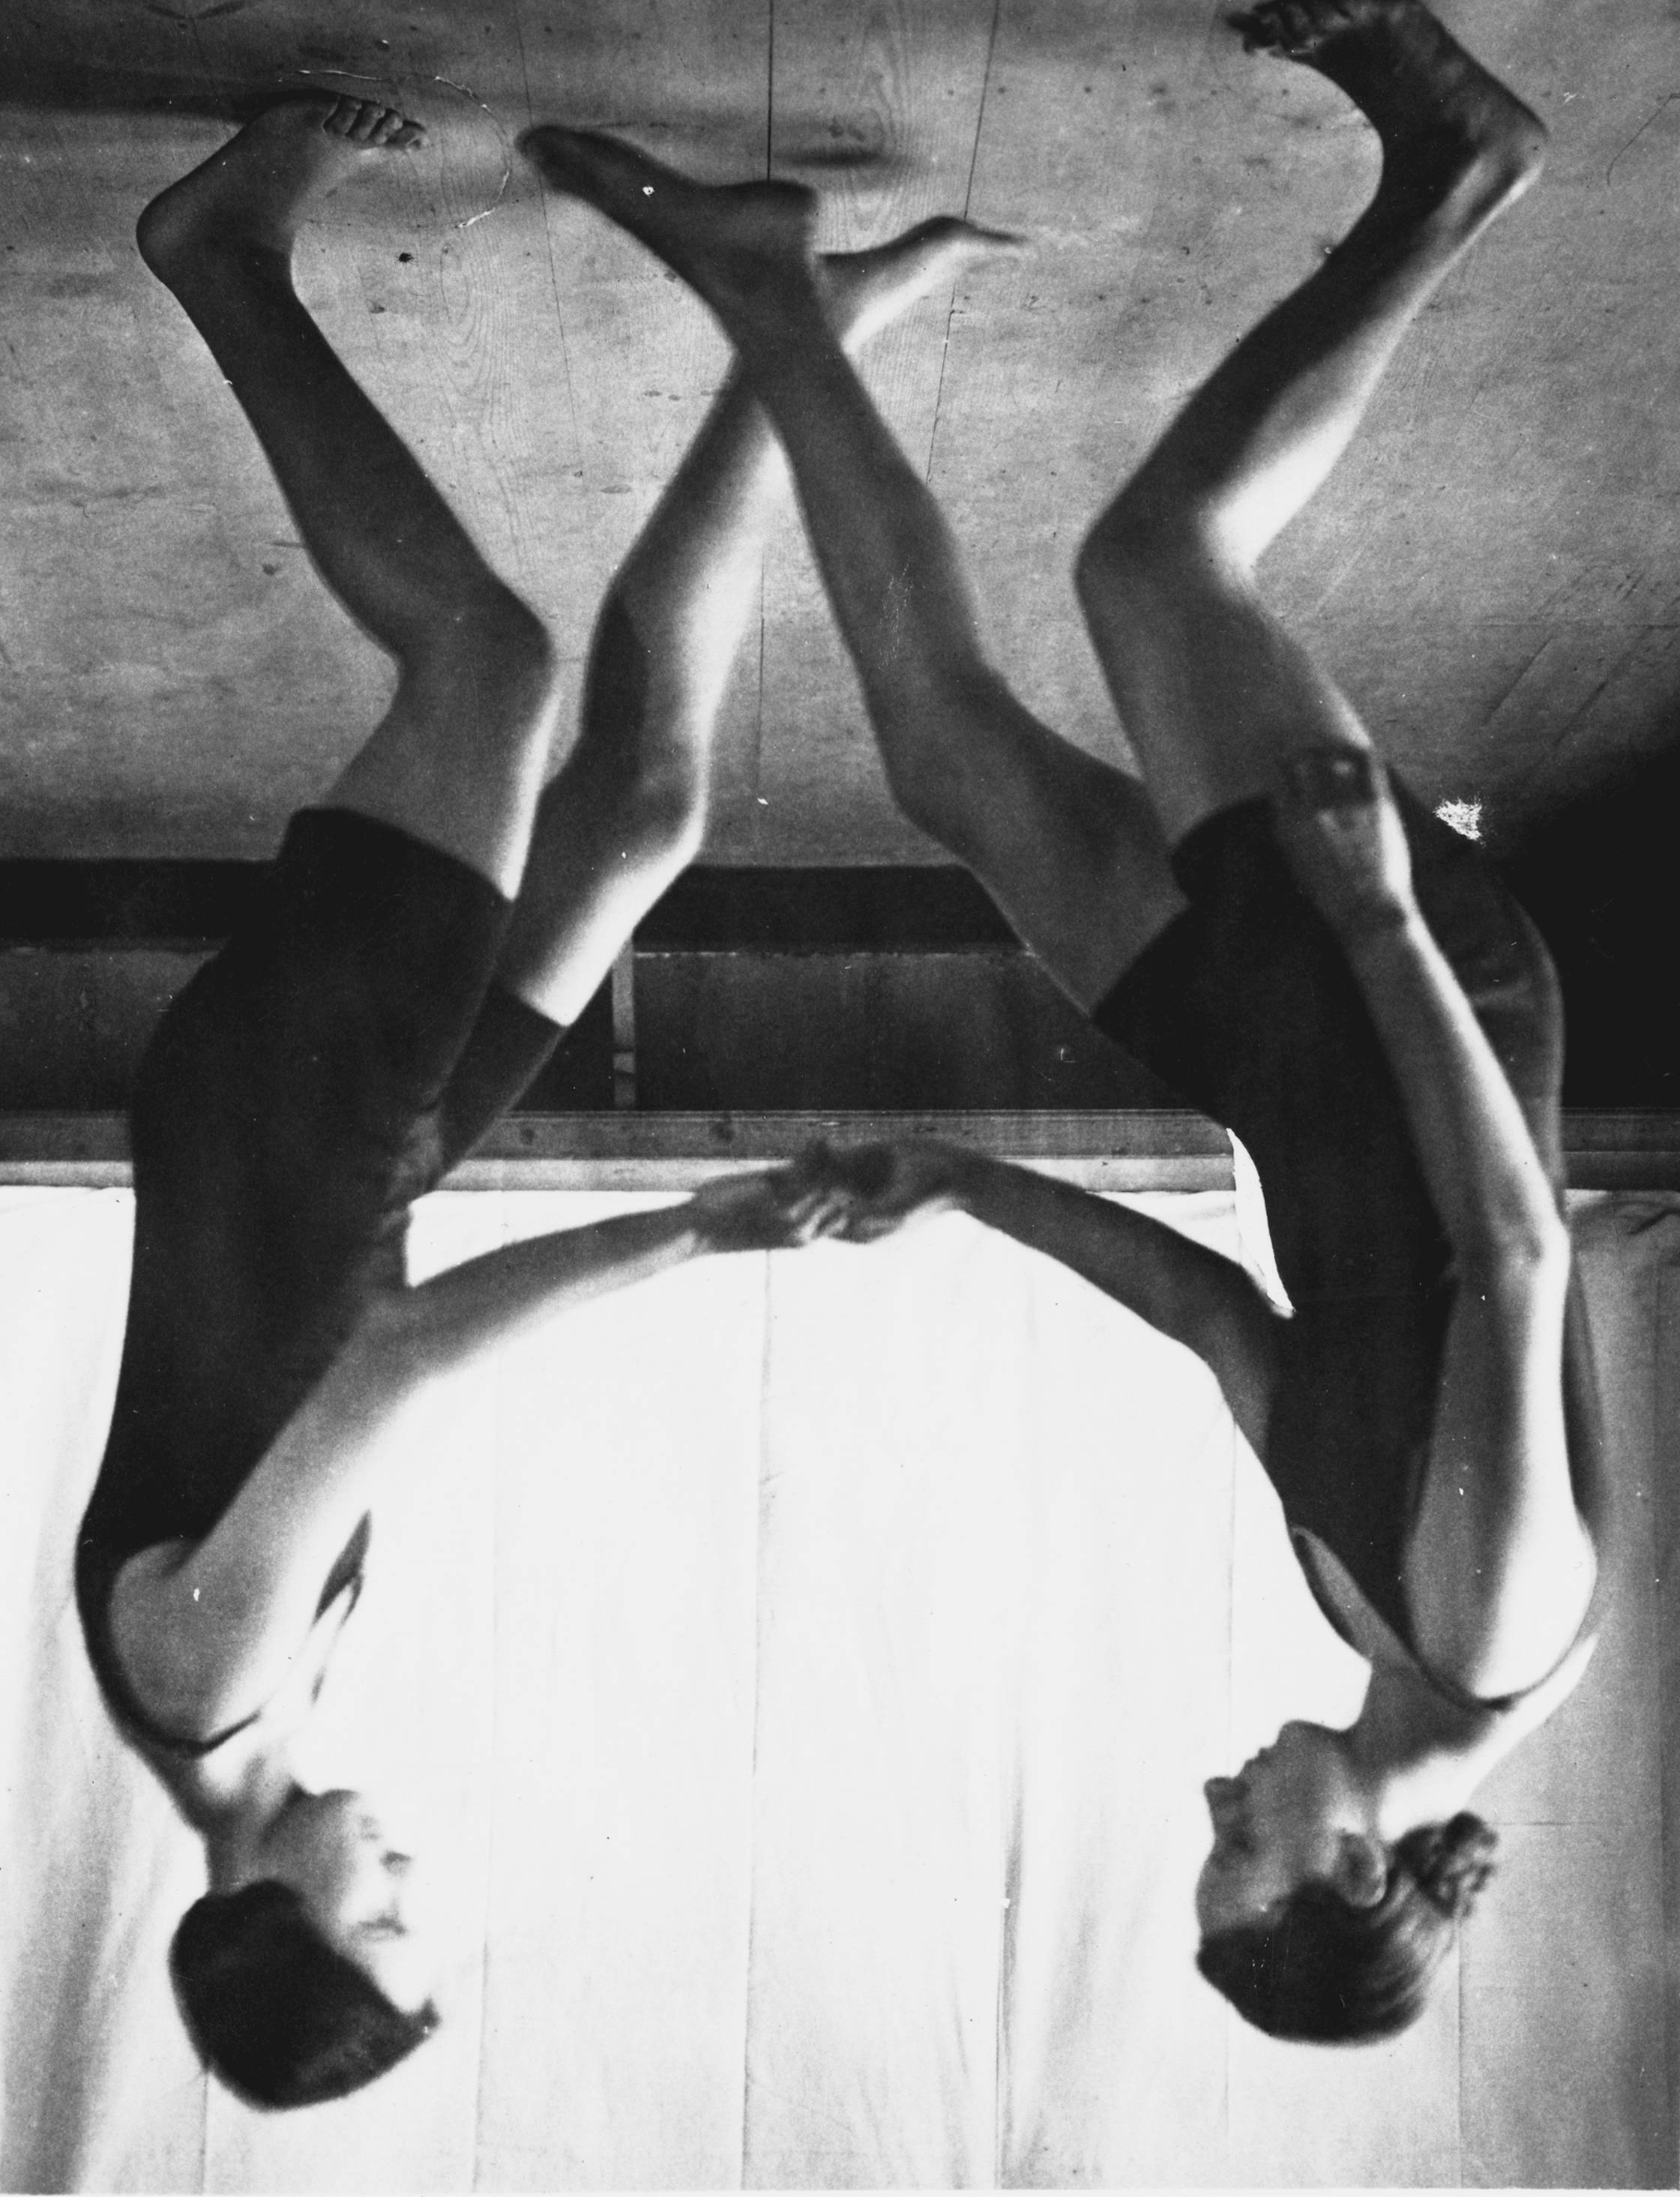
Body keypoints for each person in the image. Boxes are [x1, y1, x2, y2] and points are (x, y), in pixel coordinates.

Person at [521, 0, 1609, 2044]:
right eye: (1237, 1847)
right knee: (1156, 564)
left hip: (1288, 1070)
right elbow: (1515, 1248)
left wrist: (961, 1178)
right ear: (1357, 1869)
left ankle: (778, 298)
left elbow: (1222, 1325)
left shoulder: (1369, 1633)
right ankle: (1457, 167)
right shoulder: (1488, 1626)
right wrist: (1379, 921)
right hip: (1409, 1010)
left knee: (943, 752)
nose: (1211, 1800)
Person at [77, 93, 1009, 2109]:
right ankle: (793, 340)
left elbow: (396, 1364)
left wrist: (700, 1234)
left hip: (284, 1122)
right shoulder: (249, 1724)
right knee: (647, 806)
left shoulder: (201, 1684)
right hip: (364, 1163)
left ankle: (219, 251)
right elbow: (351, 1339)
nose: (414, 1880)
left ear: (273, 1929)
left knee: (479, 663)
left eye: (384, 1919)